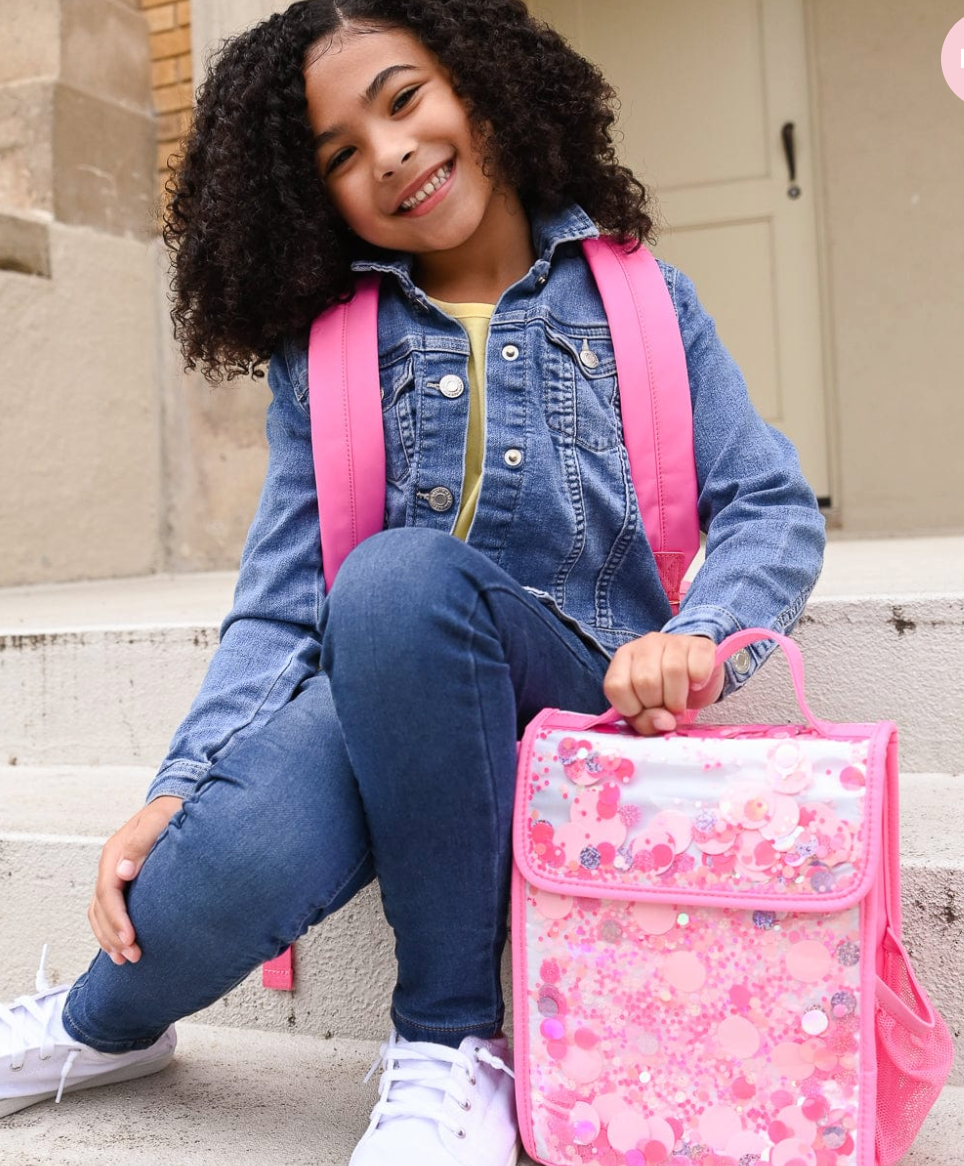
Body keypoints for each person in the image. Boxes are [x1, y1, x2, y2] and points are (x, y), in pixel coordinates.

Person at [0, 1, 826, 1162]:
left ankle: (448, 1039)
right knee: (211, 862)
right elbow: (284, 598)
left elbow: (769, 503)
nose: (388, 152)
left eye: (403, 100)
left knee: (391, 582)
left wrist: (698, 630)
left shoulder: (642, 299)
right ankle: (100, 1025)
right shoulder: (331, 352)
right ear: (312, 196)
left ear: (480, 89)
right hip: (396, 693)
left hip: (579, 688)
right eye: (338, 152)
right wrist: (184, 780)